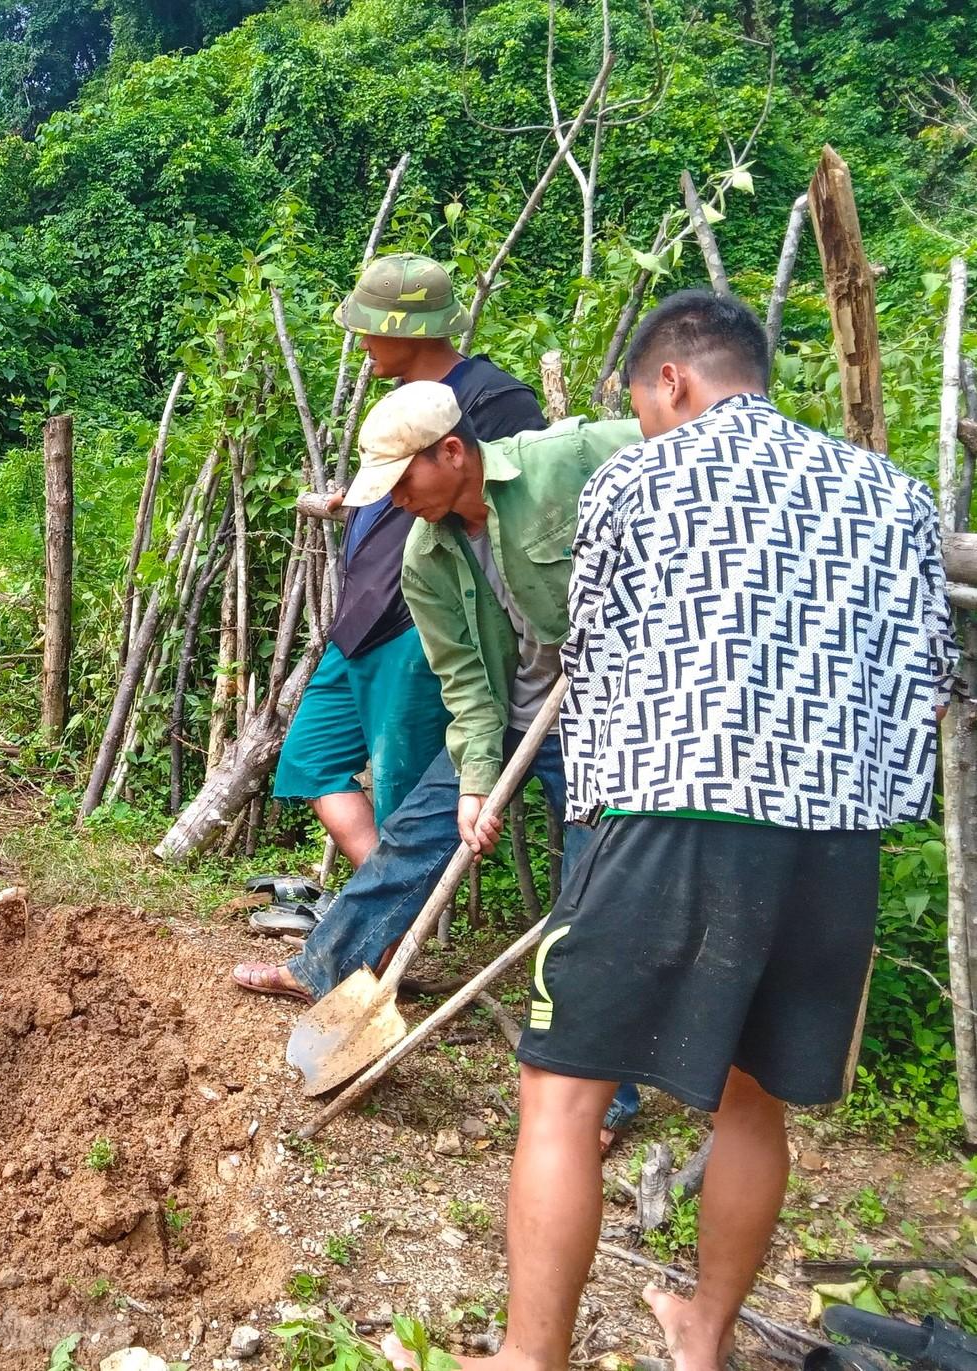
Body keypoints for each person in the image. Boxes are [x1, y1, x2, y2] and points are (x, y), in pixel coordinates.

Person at [395, 293, 953, 1371]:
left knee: (561, 1096)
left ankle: (528, 1359)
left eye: (646, 405)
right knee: (752, 1106)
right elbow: (926, 677)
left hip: (663, 812)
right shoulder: (897, 495)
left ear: (672, 384)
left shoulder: (632, 479)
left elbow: (592, 654)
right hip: (832, 842)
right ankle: (701, 1331)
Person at [233, 380, 645, 1140]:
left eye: (402, 482)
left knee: (589, 890)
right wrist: (477, 786)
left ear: (452, 452)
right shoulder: (426, 554)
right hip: (515, 715)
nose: (394, 502)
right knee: (417, 831)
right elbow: (465, 679)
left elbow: (680, 445)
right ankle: (326, 967)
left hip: (609, 721)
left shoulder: (572, 459)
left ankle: (605, 1093)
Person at [271, 254, 546, 916]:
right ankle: (390, 906)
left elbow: (506, 510)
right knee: (310, 758)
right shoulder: (400, 404)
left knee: (399, 789)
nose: (361, 343)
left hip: (421, 625)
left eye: (370, 327)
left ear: (412, 328)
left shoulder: (495, 399)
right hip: (361, 617)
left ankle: (386, 939)